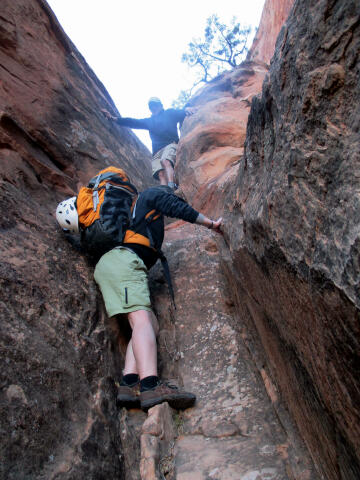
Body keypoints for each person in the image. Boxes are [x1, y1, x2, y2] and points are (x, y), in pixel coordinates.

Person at [57, 185, 221, 411]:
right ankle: (150, 386)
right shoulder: (148, 197)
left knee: (148, 323)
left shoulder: (120, 224)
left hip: (112, 266)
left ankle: (130, 383)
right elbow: (176, 207)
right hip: (124, 263)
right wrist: (212, 224)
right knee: (141, 321)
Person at [102, 98, 194, 190]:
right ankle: (164, 193)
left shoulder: (169, 113)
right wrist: (114, 118)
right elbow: (133, 122)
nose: (154, 107)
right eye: (151, 106)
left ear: (161, 106)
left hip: (170, 144)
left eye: (155, 105)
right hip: (157, 151)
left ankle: (172, 186)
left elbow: (179, 113)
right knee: (161, 174)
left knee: (165, 161)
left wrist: (186, 109)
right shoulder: (149, 121)